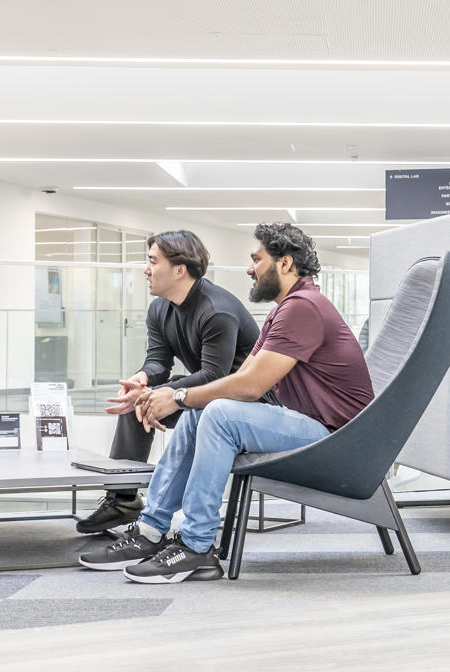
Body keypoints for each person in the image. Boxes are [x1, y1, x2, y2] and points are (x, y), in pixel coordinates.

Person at [78, 223, 373, 584]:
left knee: (214, 412)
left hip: (339, 437)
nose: (250, 269)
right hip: (309, 423)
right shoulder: (286, 308)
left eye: (256, 260)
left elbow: (249, 387)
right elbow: (239, 377)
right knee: (204, 408)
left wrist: (179, 396)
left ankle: (197, 545)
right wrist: (182, 399)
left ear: (284, 264)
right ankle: (152, 530)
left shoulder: (303, 308)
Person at [81, 230, 263, 534]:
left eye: (153, 261)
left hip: (242, 402)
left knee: (153, 396)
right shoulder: (160, 308)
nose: (145, 269)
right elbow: (158, 361)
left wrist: (162, 392)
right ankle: (123, 501)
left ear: (180, 270)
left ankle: (169, 513)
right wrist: (143, 379)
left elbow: (216, 376)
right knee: (137, 401)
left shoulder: (216, 310)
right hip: (205, 393)